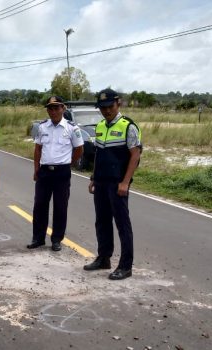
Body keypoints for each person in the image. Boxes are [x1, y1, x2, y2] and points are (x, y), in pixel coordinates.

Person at [84, 88, 142, 280]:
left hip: (118, 184)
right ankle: (104, 258)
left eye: (110, 106)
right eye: (103, 107)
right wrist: (93, 177)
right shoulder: (100, 126)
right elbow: (99, 154)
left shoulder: (128, 126)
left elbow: (135, 155)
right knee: (102, 221)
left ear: (118, 104)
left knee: (122, 224)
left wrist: (125, 182)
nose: (106, 111)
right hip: (101, 182)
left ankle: (126, 266)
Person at [27, 96, 84, 251]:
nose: (53, 111)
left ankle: (57, 239)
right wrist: (36, 169)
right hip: (44, 172)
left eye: (56, 108)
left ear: (63, 108)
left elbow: (79, 149)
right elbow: (38, 149)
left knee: (60, 207)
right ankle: (38, 238)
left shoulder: (72, 128)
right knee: (39, 206)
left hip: (62, 173)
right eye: (50, 108)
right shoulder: (42, 127)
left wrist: (69, 163)